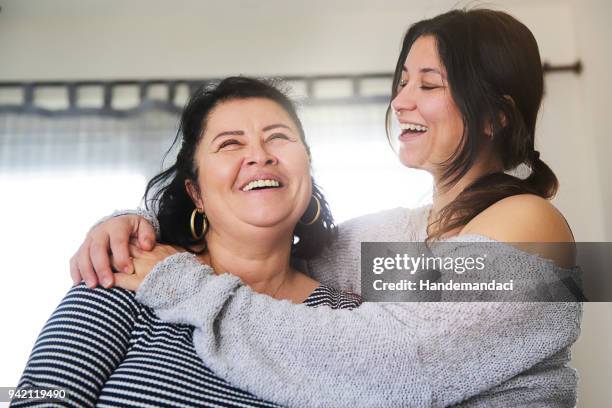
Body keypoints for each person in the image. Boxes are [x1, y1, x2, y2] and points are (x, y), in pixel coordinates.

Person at [69, 8, 581, 408]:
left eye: (428, 84)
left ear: (495, 116)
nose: (401, 101)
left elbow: (402, 364)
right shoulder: (402, 233)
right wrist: (129, 229)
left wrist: (181, 282)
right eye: (402, 81)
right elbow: (271, 249)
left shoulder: (531, 223)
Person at [13, 77, 361, 407]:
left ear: (308, 166)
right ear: (195, 192)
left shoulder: (354, 321)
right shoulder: (124, 274)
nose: (260, 155)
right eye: (230, 143)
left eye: (279, 137)